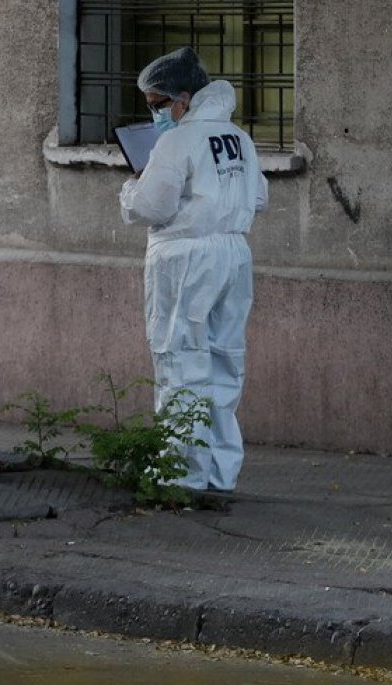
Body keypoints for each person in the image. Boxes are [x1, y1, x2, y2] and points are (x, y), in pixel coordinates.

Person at [119, 47, 268, 494]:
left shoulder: (177, 141)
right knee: (225, 363)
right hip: (233, 255)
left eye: (158, 104)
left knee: (181, 360)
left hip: (185, 257)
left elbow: (153, 206)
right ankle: (221, 475)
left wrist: (131, 188)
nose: (156, 114)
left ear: (183, 98)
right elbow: (258, 197)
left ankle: (181, 476)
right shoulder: (237, 137)